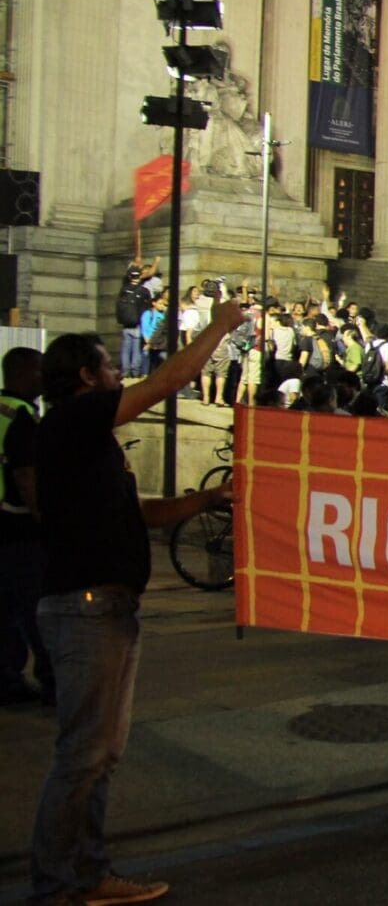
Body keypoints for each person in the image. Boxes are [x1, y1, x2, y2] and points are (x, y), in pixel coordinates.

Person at [29, 297, 244, 905]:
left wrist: (204, 502)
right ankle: (57, 884)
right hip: (85, 608)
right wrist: (218, 327)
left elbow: (139, 514)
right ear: (85, 380)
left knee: (100, 755)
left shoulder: (90, 446)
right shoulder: (72, 422)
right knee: (82, 756)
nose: (118, 376)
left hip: (110, 608)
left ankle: (89, 873)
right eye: (108, 368)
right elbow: (167, 382)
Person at [1, 347, 52, 706]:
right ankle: (39, 679)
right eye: (40, 370)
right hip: (17, 527)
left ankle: (6, 678)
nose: (44, 377)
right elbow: (26, 477)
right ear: (22, 373)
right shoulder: (21, 417)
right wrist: (44, 520)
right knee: (31, 607)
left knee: (6, 606)